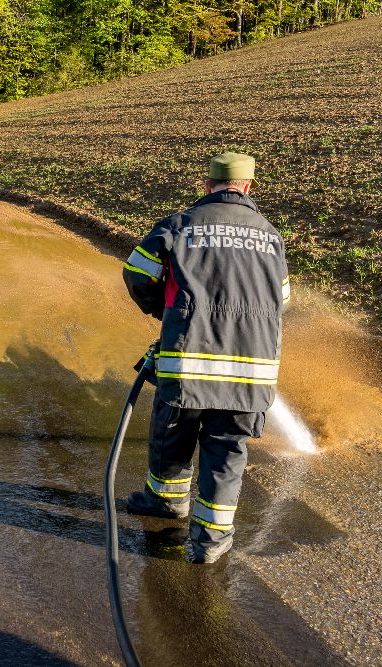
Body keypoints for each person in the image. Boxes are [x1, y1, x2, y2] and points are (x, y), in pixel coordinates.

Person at [121, 152, 290, 564]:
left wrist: (166, 314)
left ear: (207, 184)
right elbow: (282, 298)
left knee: (173, 431)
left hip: (189, 359)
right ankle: (211, 542)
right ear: (247, 187)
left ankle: (166, 502)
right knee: (227, 449)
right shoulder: (270, 236)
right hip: (252, 367)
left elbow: (137, 273)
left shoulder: (180, 225)